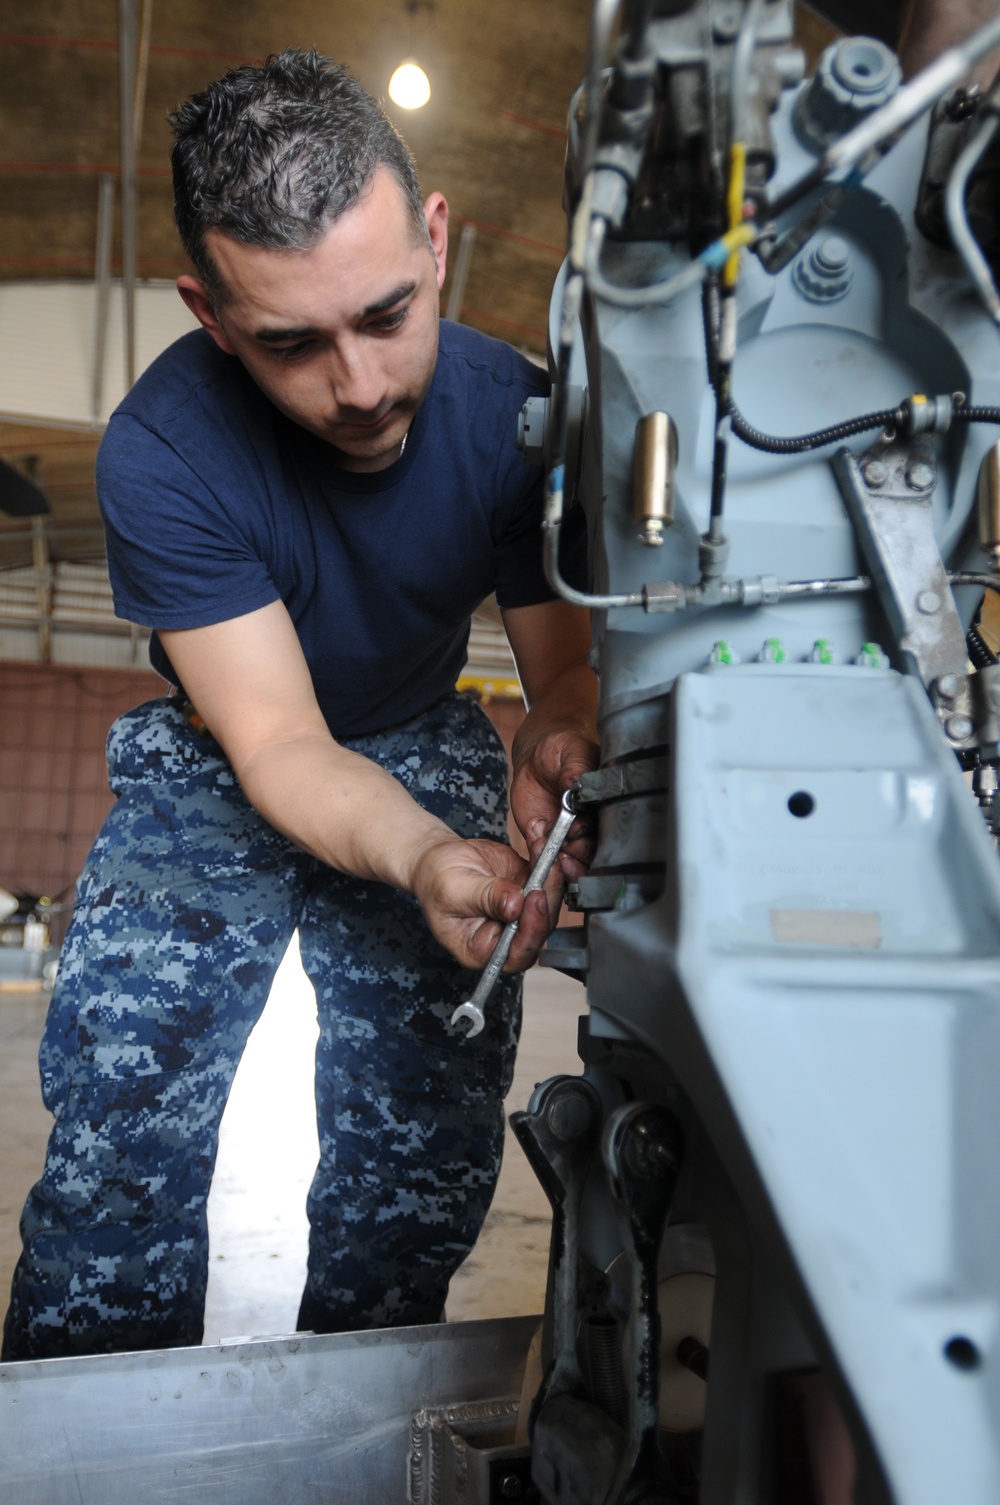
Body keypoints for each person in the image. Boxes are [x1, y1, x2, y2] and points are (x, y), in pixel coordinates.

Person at [2, 49, 598, 1360]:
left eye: (386, 313)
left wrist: (561, 731)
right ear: (211, 315)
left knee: (424, 1153)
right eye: (291, 343)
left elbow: (562, 668)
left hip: (424, 722)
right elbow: (274, 737)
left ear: (435, 239)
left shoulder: (519, 421)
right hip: (224, 754)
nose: (363, 385)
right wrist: (417, 850)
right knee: (121, 1127)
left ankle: (368, 1411)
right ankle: (83, 1431)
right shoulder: (163, 452)